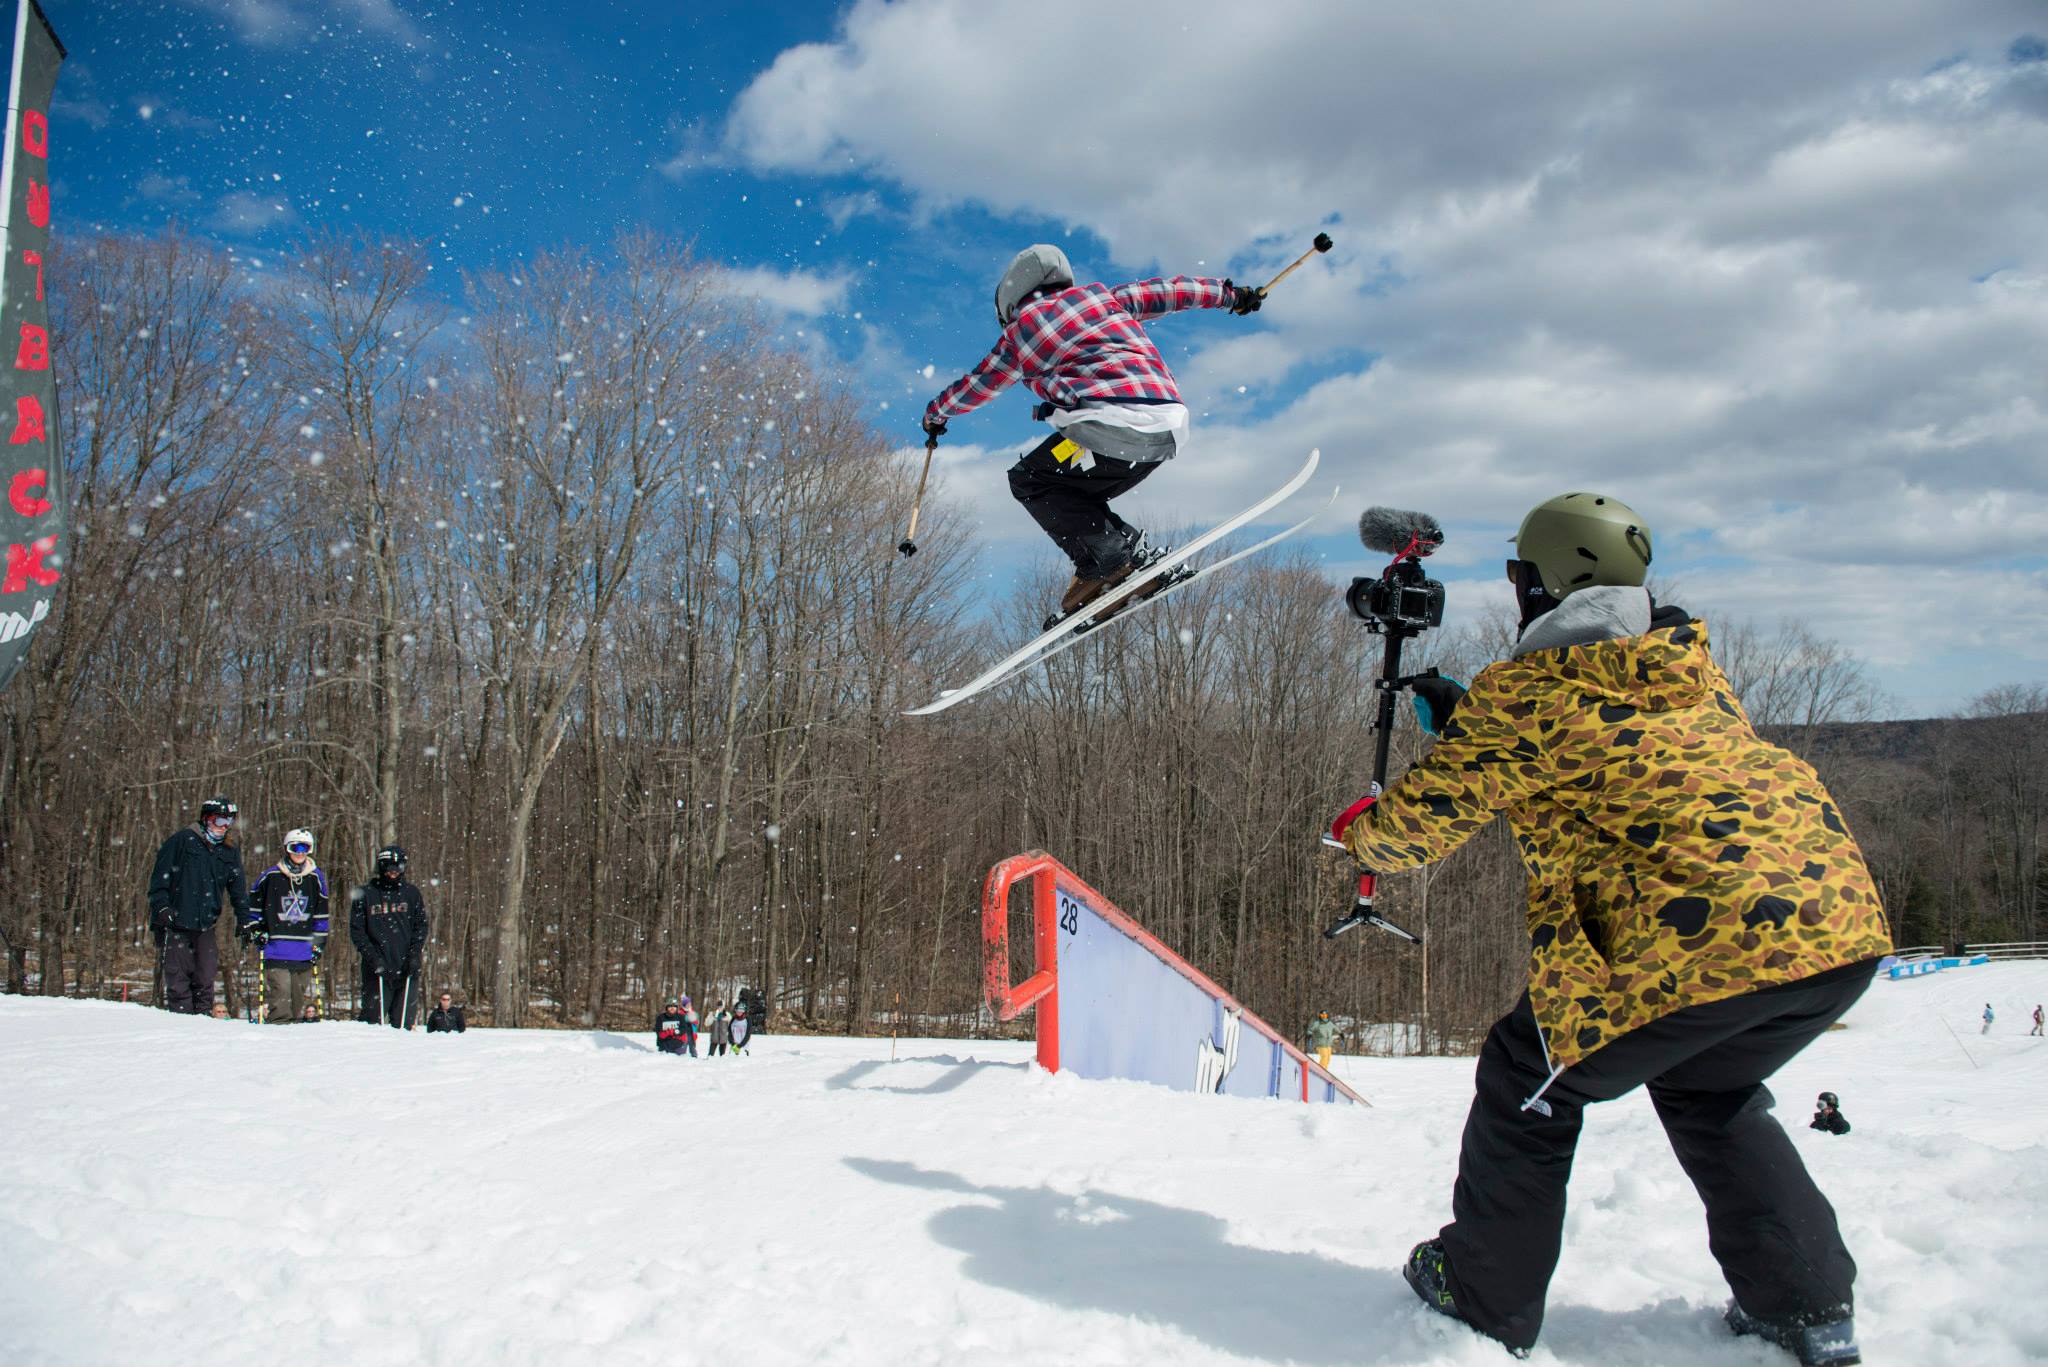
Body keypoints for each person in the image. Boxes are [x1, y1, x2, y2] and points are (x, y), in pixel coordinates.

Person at [1334, 492, 1892, 1366]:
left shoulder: (1529, 694)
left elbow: (1411, 829)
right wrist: (1475, 724)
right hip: (1833, 931)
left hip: (1701, 948)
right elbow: (1614, 747)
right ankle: (1807, 1304)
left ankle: (1483, 1294)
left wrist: (1359, 833)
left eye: (1519, 576)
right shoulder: (1686, 665)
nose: (1515, 590)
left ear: (1547, 582)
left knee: (1528, 1077)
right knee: (1706, 1086)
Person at [921, 246, 1266, 623]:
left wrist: (935, 415)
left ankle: (1109, 561)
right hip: (1166, 427)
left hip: (1106, 428)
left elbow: (979, 384)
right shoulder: (1104, 297)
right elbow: (1170, 291)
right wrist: (1230, 295)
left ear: (1010, 302)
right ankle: (1122, 557)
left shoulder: (1021, 332)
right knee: (1071, 492)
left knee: (1030, 480)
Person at [146, 796, 251, 1016]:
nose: (223, 827)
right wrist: (162, 907)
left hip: (206, 925)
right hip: (177, 923)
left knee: (205, 979)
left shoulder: (229, 851)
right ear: (206, 819)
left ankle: (203, 1021)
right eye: (219, 820)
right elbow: (159, 880)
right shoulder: (182, 841)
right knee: (178, 981)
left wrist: (244, 920)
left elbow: (238, 889)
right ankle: (182, 1021)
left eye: (228, 822)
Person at [242, 827, 329, 1024]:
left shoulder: (316, 878)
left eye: (305, 848)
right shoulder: (270, 876)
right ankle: (278, 1028)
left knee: (297, 999)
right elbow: (253, 908)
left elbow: (321, 914)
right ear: (287, 848)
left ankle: (293, 1033)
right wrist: (257, 930)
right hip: (276, 947)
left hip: (303, 949)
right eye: (295, 848)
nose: (300, 853)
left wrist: (319, 942)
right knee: (281, 995)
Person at [349, 845, 427, 1029]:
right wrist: (373, 959)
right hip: (377, 969)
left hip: (406, 968)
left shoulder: (411, 893)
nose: (394, 871)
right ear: (381, 866)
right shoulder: (366, 894)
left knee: (403, 1024)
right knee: (372, 1022)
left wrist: (414, 955)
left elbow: (421, 927)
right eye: (389, 867)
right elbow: (357, 931)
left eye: (398, 867)